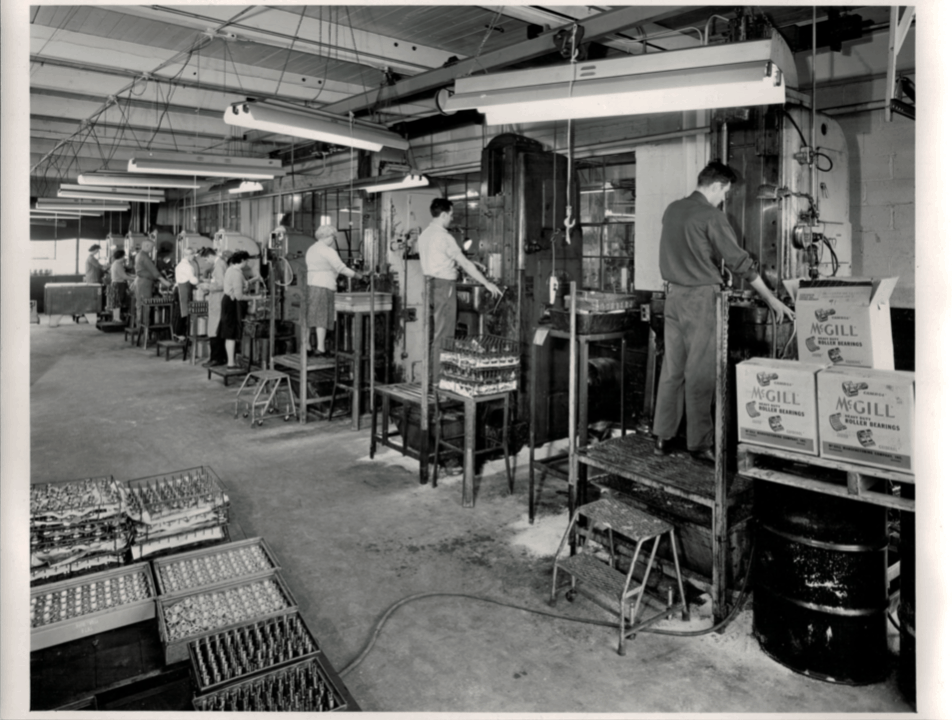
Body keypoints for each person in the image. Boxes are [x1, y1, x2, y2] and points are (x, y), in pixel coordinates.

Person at [652, 160, 795, 464]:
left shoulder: (673, 209)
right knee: (700, 373)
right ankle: (699, 444)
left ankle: (662, 437)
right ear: (716, 186)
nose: (723, 200)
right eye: (725, 193)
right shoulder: (711, 215)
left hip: (673, 297)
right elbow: (739, 263)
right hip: (701, 299)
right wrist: (771, 299)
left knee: (672, 369)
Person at [418, 197, 501, 381]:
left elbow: (441, 260)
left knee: (435, 334)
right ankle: (439, 383)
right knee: (445, 337)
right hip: (444, 287)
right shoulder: (445, 237)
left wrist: (471, 264)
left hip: (429, 286)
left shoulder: (424, 235)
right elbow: (462, 262)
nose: (452, 219)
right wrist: (487, 283)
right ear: (444, 214)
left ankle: (431, 380)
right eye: (451, 215)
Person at [305, 225, 363, 356]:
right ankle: (320, 349)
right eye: (333, 236)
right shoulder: (328, 250)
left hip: (311, 285)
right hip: (324, 285)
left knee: (311, 316)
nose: (334, 239)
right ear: (327, 236)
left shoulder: (312, 249)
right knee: (322, 316)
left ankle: (307, 346)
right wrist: (359, 276)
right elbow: (341, 268)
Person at [199, 247, 231, 367]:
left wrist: (207, 286)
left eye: (206, 259)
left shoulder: (219, 265)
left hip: (218, 301)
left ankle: (216, 358)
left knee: (215, 331)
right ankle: (220, 357)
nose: (206, 262)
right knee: (216, 330)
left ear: (211, 256)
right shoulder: (220, 264)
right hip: (217, 300)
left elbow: (222, 284)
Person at [219, 250, 251, 369]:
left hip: (228, 301)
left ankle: (231, 362)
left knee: (230, 334)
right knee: (231, 333)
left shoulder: (232, 269)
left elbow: (240, 284)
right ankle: (231, 363)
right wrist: (255, 297)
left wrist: (251, 281)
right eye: (247, 260)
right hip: (231, 304)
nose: (247, 262)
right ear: (242, 261)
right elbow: (239, 296)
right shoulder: (236, 273)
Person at [134, 238, 172, 324]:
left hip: (141, 282)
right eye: (151, 247)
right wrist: (165, 282)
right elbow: (154, 271)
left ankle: (141, 328)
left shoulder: (140, 254)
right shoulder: (144, 256)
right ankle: (144, 328)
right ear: (146, 246)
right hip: (144, 283)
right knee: (145, 306)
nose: (152, 249)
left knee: (141, 305)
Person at [174, 247, 201, 338]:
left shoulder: (180, 265)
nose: (194, 257)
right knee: (183, 312)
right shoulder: (188, 266)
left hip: (180, 289)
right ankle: (180, 333)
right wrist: (199, 281)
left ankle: (178, 333)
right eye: (193, 255)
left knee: (180, 311)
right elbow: (193, 280)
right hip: (183, 290)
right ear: (189, 255)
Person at [107, 249, 136, 321]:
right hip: (118, 284)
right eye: (124, 256)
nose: (124, 257)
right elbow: (124, 276)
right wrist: (135, 279)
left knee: (117, 302)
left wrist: (134, 276)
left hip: (117, 284)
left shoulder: (117, 263)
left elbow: (125, 274)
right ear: (121, 256)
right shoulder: (117, 264)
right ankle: (116, 318)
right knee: (117, 302)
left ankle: (116, 317)